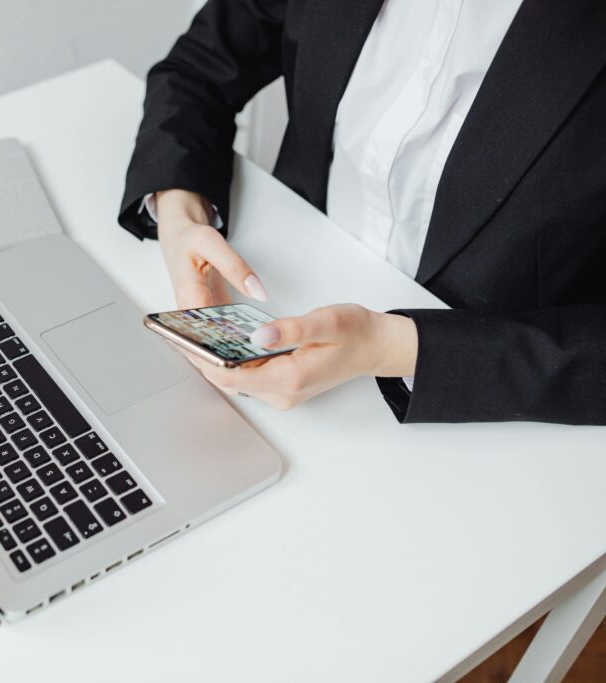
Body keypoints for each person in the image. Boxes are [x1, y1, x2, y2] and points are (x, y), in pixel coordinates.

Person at [118, 0, 606, 424]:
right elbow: (200, 67)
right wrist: (181, 209)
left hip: (487, 399)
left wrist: (393, 347)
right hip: (280, 289)